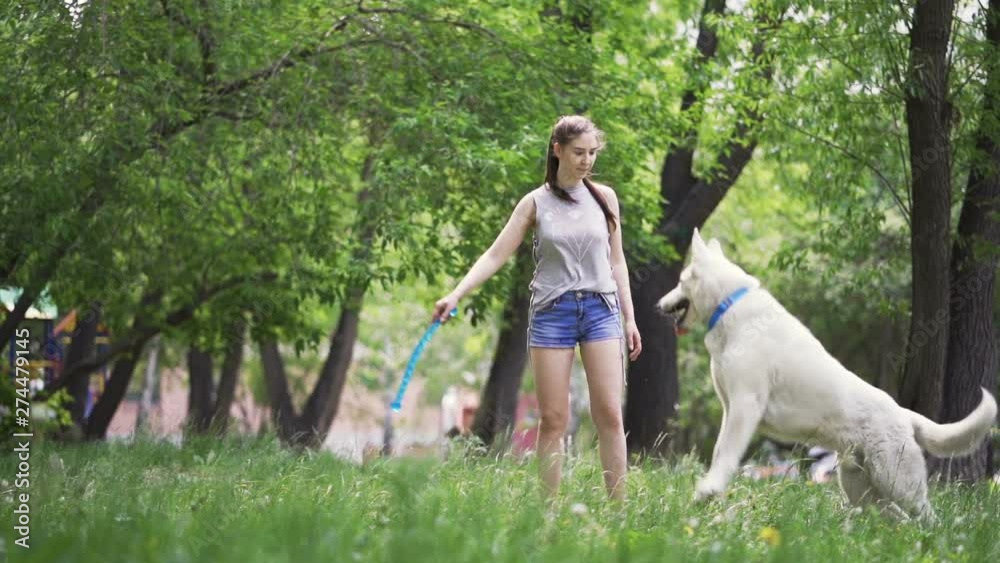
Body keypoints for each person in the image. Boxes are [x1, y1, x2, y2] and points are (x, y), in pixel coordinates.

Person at [432, 115, 642, 501]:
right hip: (552, 314)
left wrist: (629, 317)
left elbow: (617, 261)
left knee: (610, 415)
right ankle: (548, 514)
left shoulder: (605, 198)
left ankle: (620, 511)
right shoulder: (535, 203)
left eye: (592, 152)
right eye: (578, 152)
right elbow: (495, 254)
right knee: (553, 419)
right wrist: (456, 294)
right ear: (557, 150)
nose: (587, 160)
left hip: (601, 310)